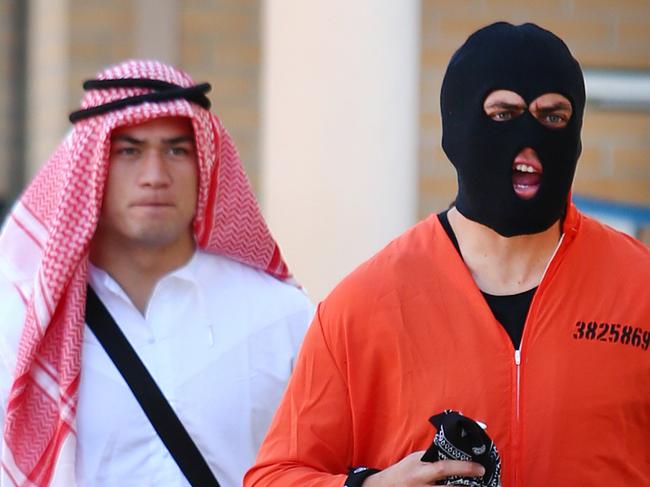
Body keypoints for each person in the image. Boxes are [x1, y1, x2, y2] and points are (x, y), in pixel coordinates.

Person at [245, 22, 650, 487]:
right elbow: (274, 477)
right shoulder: (364, 305)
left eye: (553, 116)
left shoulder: (639, 288)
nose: (531, 137)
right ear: (457, 127)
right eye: (503, 114)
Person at [0, 60, 313, 486]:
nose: (154, 176)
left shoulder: (281, 317)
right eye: (128, 151)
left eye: (176, 150)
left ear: (204, 163)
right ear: (91, 167)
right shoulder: (20, 323)